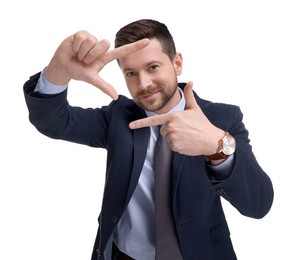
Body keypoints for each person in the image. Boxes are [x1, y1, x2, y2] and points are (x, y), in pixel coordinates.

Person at [23, 19, 274, 260]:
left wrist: (217, 145)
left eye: (153, 67)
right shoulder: (118, 117)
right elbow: (54, 122)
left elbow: (258, 204)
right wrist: (58, 70)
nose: (143, 83)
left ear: (177, 63)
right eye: (131, 73)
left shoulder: (221, 118)